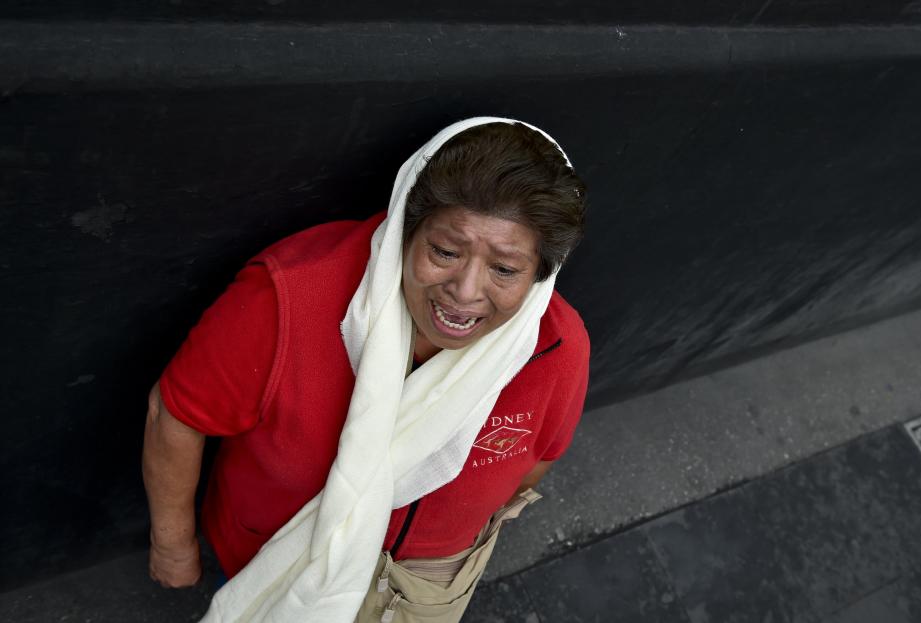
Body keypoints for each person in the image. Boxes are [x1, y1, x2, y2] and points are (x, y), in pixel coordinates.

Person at [142, 117, 589, 622]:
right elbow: (176, 415)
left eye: (505, 269)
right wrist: (173, 546)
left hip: (422, 593)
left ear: (541, 275)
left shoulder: (557, 346)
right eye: (444, 252)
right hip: (270, 567)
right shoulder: (289, 298)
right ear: (405, 228)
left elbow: (540, 455)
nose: (465, 292)